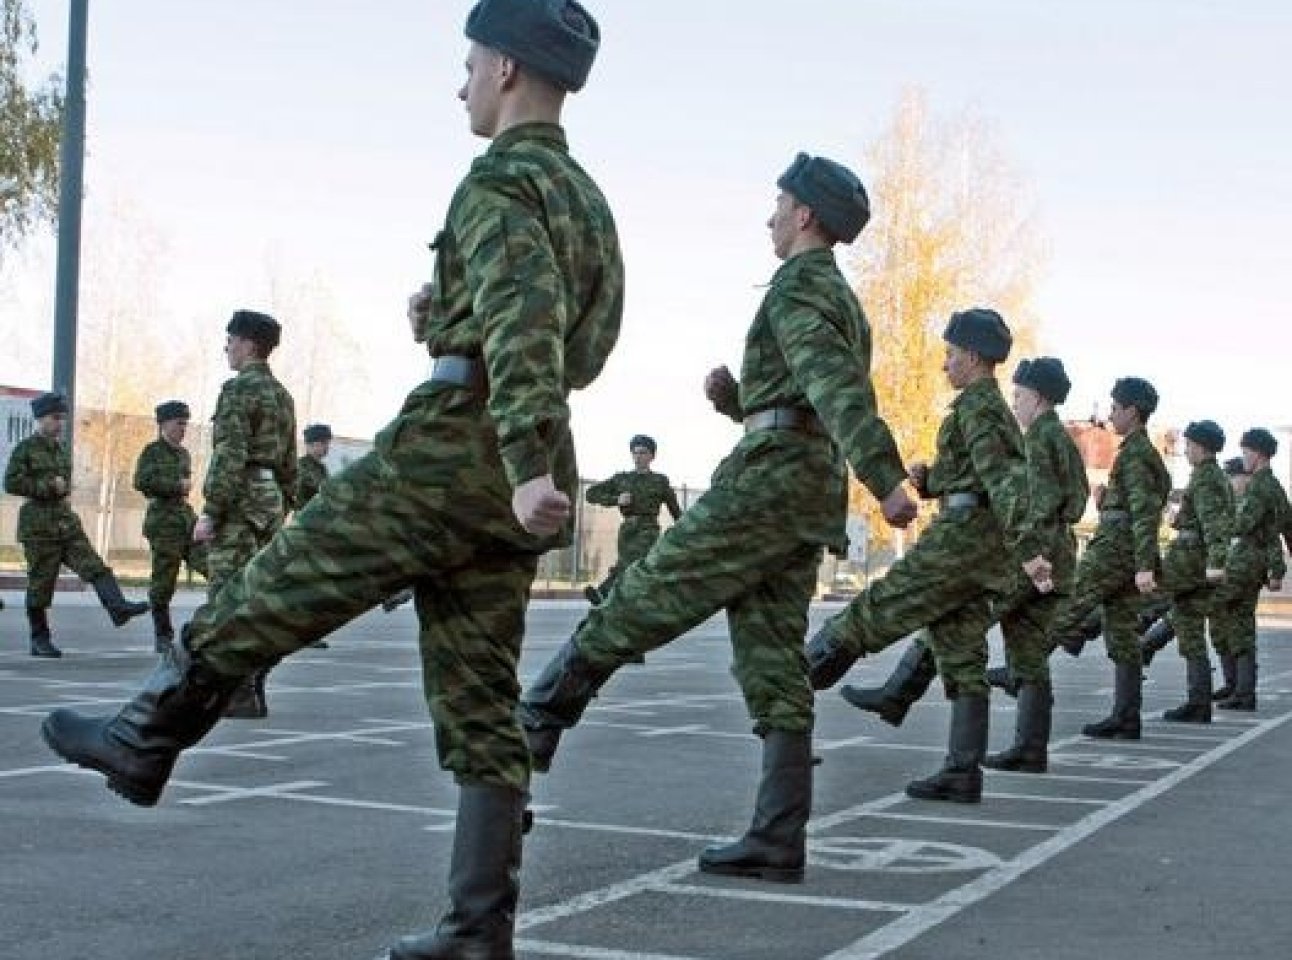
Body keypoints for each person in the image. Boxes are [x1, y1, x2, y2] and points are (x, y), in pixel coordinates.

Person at [42, 3, 619, 957]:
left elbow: (523, 323)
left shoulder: (500, 181)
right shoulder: (587, 201)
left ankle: (145, 738)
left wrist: (514, 453)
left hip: (456, 449)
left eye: (471, 61)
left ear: (508, 65)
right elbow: (574, 344)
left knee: (276, 581)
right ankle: (478, 933)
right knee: (480, 694)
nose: (462, 81)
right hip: (525, 451)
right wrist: (450, 329)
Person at [521, 151, 920, 886]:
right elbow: (804, 397)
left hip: (767, 485)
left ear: (805, 215)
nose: (768, 215)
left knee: (642, 593)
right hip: (802, 492)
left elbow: (832, 387)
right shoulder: (834, 295)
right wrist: (737, 400)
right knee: (773, 661)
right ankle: (777, 837)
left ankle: (531, 731)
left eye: (778, 203)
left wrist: (887, 477)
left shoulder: (801, 285)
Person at [804, 311, 1052, 802]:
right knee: (960, 648)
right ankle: (962, 772)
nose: (945, 364)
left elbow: (1003, 482)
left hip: (962, 541)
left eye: (952, 354)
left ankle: (779, 706)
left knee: (870, 614)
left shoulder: (978, 408)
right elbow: (981, 476)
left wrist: (1030, 552)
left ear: (975, 357)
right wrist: (932, 480)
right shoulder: (987, 410)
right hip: (979, 540)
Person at [839, 357, 1088, 775]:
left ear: (1038, 397)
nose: (1015, 402)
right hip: (1057, 553)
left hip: (1030, 555)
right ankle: (1029, 748)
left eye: (1020, 395)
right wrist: (933, 481)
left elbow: (1016, 495)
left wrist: (1028, 546)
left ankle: (899, 693)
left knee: (953, 617)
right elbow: (1077, 503)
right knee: (1027, 653)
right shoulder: (1063, 442)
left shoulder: (1039, 440)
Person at [1046, 377, 1171, 739]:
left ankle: (1021, 669)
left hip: (1117, 548)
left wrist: (1146, 565)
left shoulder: (1136, 454)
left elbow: (1145, 512)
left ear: (1132, 412)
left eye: (1116, 408)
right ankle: (1126, 715)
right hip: (1125, 545)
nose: (1111, 414)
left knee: (1069, 603)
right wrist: (1106, 503)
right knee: (1122, 632)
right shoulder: (1140, 453)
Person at [194, 309, 298, 718]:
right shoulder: (282, 395)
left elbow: (230, 452)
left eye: (230, 341)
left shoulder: (238, 390)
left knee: (225, 598)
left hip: (241, 499)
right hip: (271, 501)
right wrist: (282, 504)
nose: (227, 348)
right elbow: (290, 462)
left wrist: (211, 510)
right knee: (261, 597)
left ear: (248, 345)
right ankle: (253, 686)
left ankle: (232, 692)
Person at [4, 392, 150, 657]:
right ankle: (39, 639)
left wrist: (62, 488)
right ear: (40, 419)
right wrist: (48, 486)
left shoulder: (61, 450)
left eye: (61, 418)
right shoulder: (25, 449)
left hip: (66, 523)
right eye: (54, 418)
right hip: (39, 527)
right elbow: (11, 483)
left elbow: (63, 485)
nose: (59, 423)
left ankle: (118, 608)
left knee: (95, 566)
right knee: (41, 584)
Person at [1137, 420, 1233, 722]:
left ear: (1201, 447)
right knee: (1189, 628)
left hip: (1190, 560)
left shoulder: (1206, 478)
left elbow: (1214, 524)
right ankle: (1198, 702)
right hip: (1196, 558)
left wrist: (1217, 564)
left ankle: (1140, 641)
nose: (1186, 450)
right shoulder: (1211, 477)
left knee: (1137, 596)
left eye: (1189, 445)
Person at [1209, 428, 1289, 710]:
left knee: (1209, 603)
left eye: (1245, 452)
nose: (1243, 457)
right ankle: (1242, 691)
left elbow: (1243, 524)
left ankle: (1240, 689)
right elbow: (1287, 528)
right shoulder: (1276, 487)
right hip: (1253, 563)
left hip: (1245, 561)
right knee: (1240, 623)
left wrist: (1211, 524)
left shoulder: (1259, 486)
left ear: (1258, 453)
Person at [133, 400, 209, 654]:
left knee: (211, 565)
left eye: (185, 424)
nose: (183, 429)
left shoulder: (183, 454)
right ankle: (163, 633)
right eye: (179, 424)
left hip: (184, 519)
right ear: (164, 424)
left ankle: (214, 623)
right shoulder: (152, 452)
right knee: (164, 581)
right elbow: (142, 482)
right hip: (163, 522)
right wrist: (175, 486)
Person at [582, 434, 682, 604]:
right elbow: (591, 493)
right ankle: (623, 599)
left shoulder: (659, 481)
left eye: (642, 453)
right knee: (629, 564)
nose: (638, 457)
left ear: (652, 456)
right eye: (635, 453)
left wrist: (684, 528)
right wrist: (616, 499)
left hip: (648, 528)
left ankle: (604, 592)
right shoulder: (622, 478)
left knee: (633, 561)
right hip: (628, 528)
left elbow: (674, 509)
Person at [295, 423, 332, 510]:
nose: (327, 447)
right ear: (310, 444)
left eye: (328, 443)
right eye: (323, 442)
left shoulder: (322, 468)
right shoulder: (300, 466)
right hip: (304, 517)